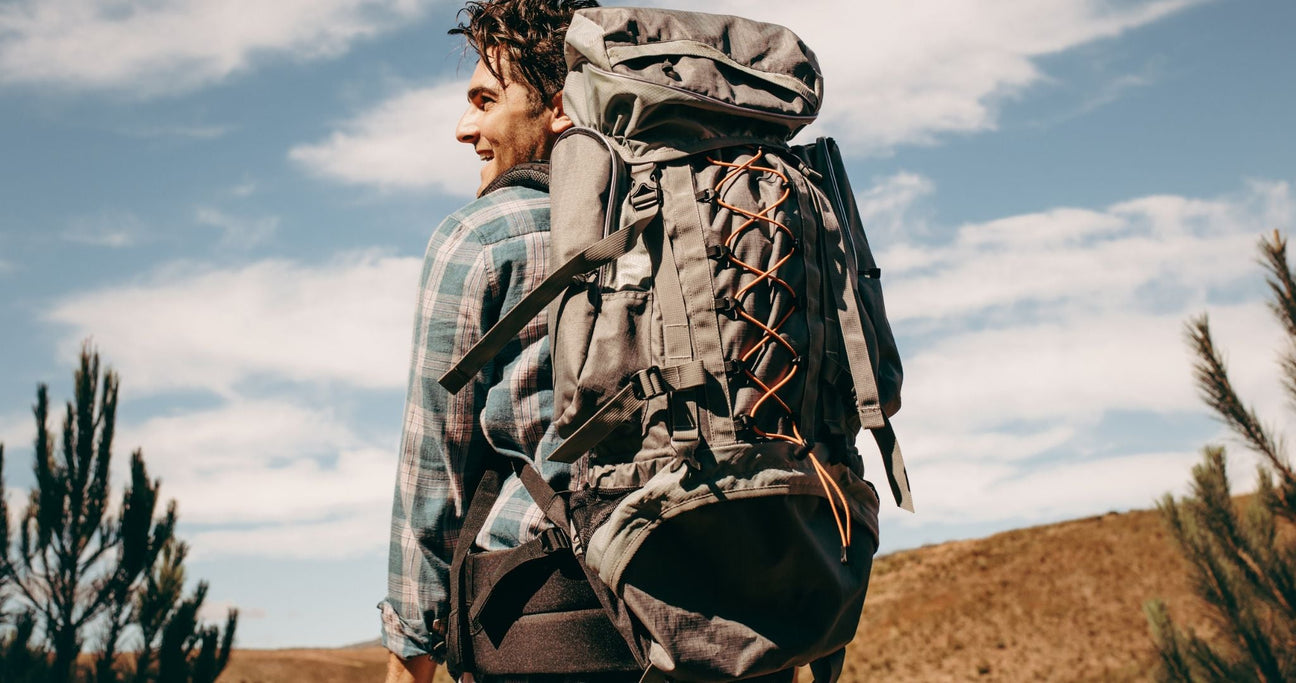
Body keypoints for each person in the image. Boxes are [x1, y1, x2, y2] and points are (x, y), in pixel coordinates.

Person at [378, 2, 597, 682]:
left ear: (557, 105)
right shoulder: (685, 232)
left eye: (485, 98)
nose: (465, 126)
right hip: (714, 626)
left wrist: (409, 656)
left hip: (544, 625)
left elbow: (432, 477)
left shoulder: (483, 236)